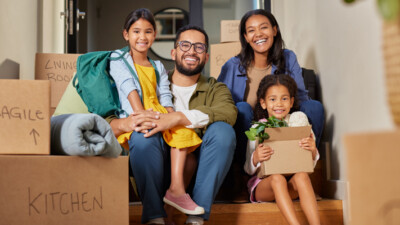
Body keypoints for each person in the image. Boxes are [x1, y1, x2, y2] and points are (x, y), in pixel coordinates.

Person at [109, 24, 237, 225]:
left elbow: (228, 112)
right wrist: (129, 122)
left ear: (207, 57)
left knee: (224, 131)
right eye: (185, 45)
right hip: (153, 167)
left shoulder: (215, 88)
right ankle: (154, 216)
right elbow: (108, 122)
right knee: (142, 135)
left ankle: (196, 219)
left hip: (200, 175)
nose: (192, 52)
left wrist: (177, 118)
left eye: (199, 47)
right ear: (174, 52)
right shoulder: (151, 80)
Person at [109, 8, 204, 215]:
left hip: (158, 112)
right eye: (136, 31)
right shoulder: (118, 58)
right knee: (146, 139)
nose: (142, 37)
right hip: (137, 113)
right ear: (126, 34)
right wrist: (140, 114)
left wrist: (171, 118)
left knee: (184, 133)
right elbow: (127, 86)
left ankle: (176, 189)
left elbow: (165, 96)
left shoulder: (157, 65)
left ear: (155, 35)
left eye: (148, 31)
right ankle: (155, 210)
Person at [217, 9, 324, 169]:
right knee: (243, 108)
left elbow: (300, 97)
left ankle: (305, 162)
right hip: (248, 134)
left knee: (313, 107)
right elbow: (221, 107)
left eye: (264, 27)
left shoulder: (288, 57)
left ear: (274, 30)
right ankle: (243, 171)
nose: (258, 34)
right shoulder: (232, 66)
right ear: (245, 38)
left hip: (282, 123)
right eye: (251, 30)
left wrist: (289, 123)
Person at [244, 74, 320, 225]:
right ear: (263, 103)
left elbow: (309, 163)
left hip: (290, 184)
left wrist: (312, 150)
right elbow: (248, 168)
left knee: (302, 176)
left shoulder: (299, 124)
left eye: (284, 99)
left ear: (291, 102)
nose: (279, 104)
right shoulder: (258, 128)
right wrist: (256, 157)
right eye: (272, 99)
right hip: (265, 186)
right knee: (277, 178)